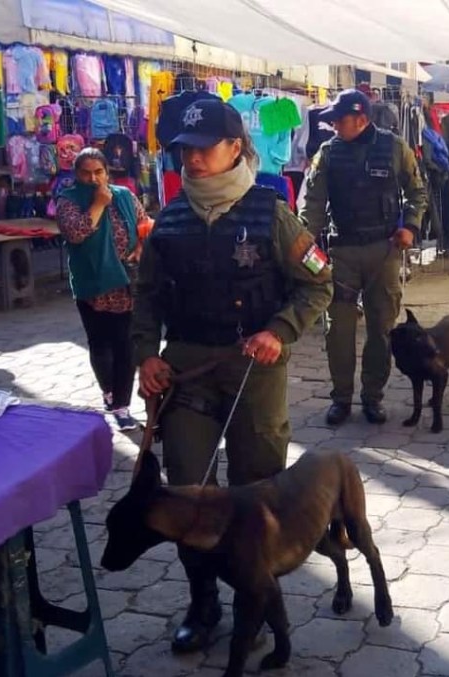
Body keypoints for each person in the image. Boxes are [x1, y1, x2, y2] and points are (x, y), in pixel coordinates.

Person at [131, 99, 332, 653]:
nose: (191, 160)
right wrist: (145, 355)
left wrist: (281, 329)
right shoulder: (168, 220)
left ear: (236, 148)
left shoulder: (270, 213)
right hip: (188, 370)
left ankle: (258, 598)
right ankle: (203, 603)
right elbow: (145, 298)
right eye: (183, 152)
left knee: (255, 491)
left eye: (203, 149)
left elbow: (318, 282)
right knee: (185, 495)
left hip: (254, 366)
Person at [300, 89, 427, 426]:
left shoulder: (394, 147)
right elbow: (312, 202)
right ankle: (341, 398)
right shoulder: (327, 153)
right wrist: (305, 242)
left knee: (381, 327)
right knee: (337, 330)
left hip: (383, 251)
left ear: (361, 118)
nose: (333, 126)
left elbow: (418, 192)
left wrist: (410, 227)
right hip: (340, 252)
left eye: (338, 120)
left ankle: (373, 396)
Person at [56, 147, 149, 431]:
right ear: (77, 176)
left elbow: (144, 225)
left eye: (99, 172)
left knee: (125, 345)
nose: (94, 178)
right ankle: (108, 391)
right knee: (100, 343)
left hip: (125, 283)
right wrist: (97, 204)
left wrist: (142, 246)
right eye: (86, 173)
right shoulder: (68, 202)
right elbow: (76, 233)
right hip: (92, 284)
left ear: (108, 172)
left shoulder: (125, 196)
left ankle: (121, 405)